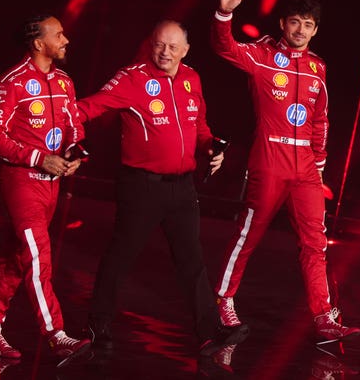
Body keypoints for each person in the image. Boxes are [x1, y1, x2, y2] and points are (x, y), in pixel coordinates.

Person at [77, 19, 249, 355]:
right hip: (141, 187)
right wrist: (56, 119)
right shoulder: (132, 78)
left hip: (182, 188)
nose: (165, 52)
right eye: (159, 44)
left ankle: (209, 332)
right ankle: (98, 325)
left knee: (192, 261)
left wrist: (211, 147)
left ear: (185, 50)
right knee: (120, 256)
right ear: (150, 44)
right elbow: (90, 106)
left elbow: (199, 126)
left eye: (172, 46)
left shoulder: (192, 79)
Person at [210, 0, 360, 342]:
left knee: (316, 242)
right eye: (295, 22)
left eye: (308, 25)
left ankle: (323, 317)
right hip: (269, 161)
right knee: (249, 234)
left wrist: (319, 163)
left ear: (315, 30)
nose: (300, 30)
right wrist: (224, 14)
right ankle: (222, 300)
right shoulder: (263, 55)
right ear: (283, 23)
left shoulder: (317, 68)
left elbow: (321, 118)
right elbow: (225, 48)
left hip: (306, 168)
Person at [0, 14, 91, 364]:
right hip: (21, 183)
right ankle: (56, 334)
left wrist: (76, 156)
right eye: (59, 34)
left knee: (15, 259)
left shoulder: (65, 81)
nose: (66, 39)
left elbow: (75, 128)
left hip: (52, 186)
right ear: (39, 44)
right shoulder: (8, 83)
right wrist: (39, 158)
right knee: (39, 257)